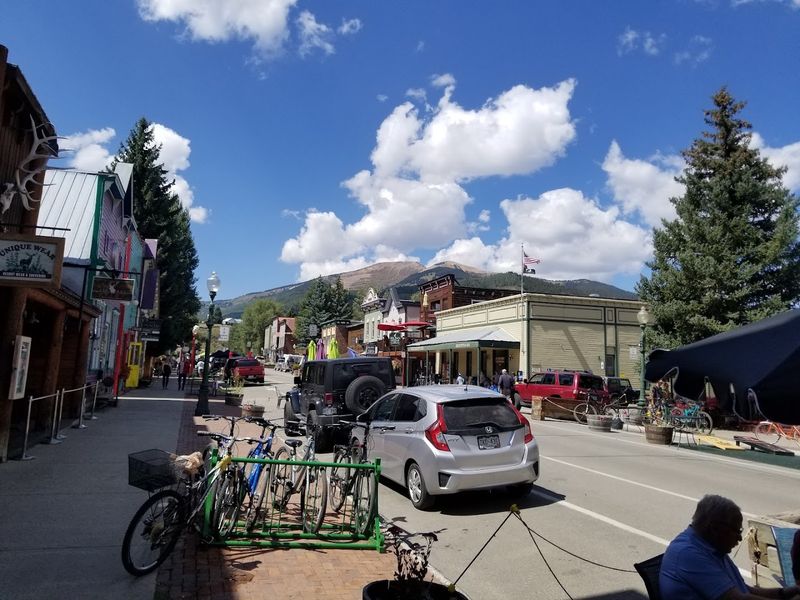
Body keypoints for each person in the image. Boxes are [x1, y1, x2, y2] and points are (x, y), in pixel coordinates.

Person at [661, 495, 800, 600]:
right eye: (737, 531)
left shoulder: (711, 547)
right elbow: (737, 598)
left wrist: (786, 592)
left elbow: (743, 589)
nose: (740, 538)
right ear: (715, 529)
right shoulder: (688, 554)